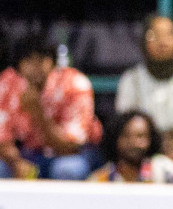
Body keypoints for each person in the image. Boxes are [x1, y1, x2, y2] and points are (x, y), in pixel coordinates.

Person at [0, 34, 101, 180]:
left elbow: (70, 147)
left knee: (69, 168)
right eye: (28, 60)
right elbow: (2, 138)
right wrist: (16, 162)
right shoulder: (7, 82)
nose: (36, 67)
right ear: (19, 66)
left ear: (53, 62)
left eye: (41, 59)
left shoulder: (75, 84)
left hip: (72, 154)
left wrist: (38, 114)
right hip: (26, 154)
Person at [115, 13, 173, 164]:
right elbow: (125, 126)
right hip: (142, 154)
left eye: (169, 34)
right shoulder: (131, 79)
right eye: (154, 35)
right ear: (143, 42)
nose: (162, 42)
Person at [87, 111, 173, 183]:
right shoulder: (101, 180)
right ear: (115, 138)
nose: (133, 142)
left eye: (140, 136)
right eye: (126, 136)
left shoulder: (164, 171)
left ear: (151, 139)